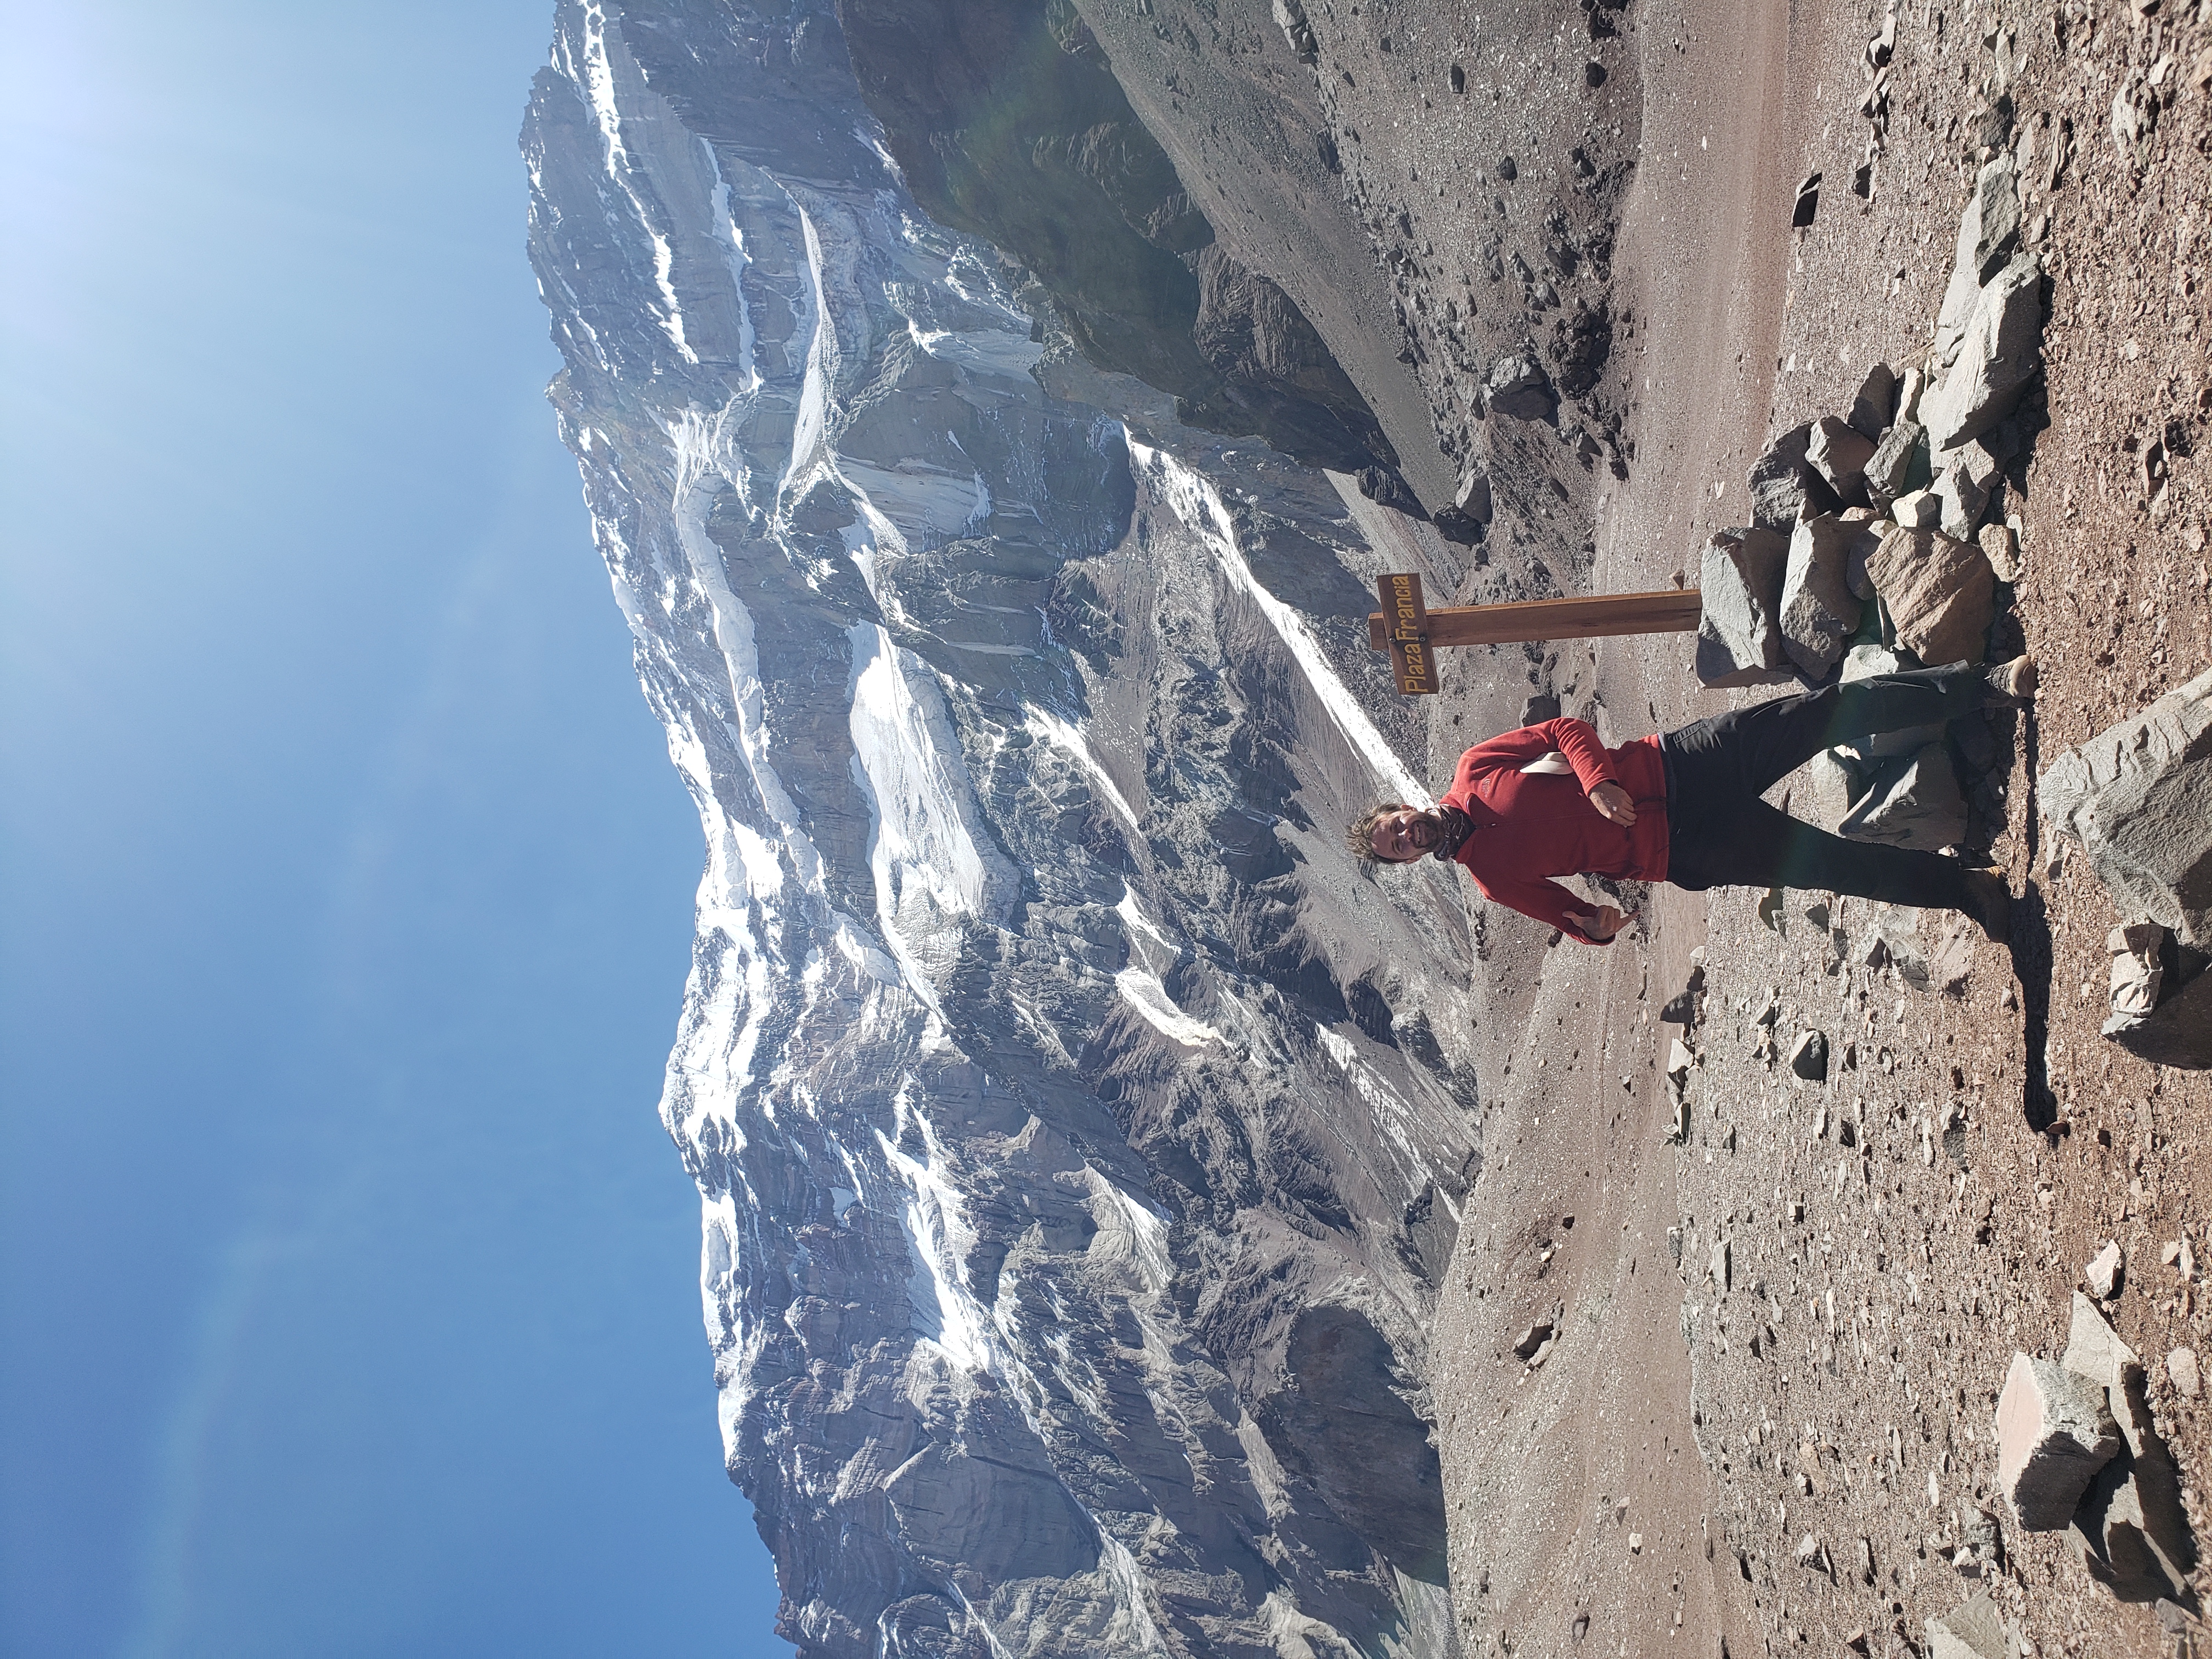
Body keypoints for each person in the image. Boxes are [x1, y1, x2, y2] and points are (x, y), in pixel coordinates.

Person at [1346, 658, 2034, 946]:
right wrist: (1598, 927)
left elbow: (1563, 730)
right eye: (1398, 848)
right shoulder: (1491, 880)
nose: (1407, 836)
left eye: (1396, 826)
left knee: (1819, 713)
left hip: (1681, 763)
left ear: (1402, 806)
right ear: (1410, 863)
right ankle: (1968, 890)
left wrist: (1596, 781)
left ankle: (1980, 685)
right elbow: (1567, 913)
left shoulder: (1476, 767)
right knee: (1834, 868)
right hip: (1688, 848)